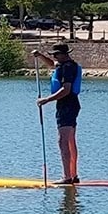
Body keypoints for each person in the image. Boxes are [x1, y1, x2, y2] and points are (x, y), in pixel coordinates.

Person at [32, 43, 83, 184]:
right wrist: (40, 56)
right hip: (72, 105)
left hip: (66, 106)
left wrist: (46, 100)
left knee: (63, 141)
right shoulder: (67, 65)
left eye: (55, 54)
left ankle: (67, 177)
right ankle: (73, 175)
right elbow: (52, 64)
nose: (54, 57)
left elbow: (66, 89)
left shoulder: (67, 69)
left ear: (63, 54)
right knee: (70, 140)